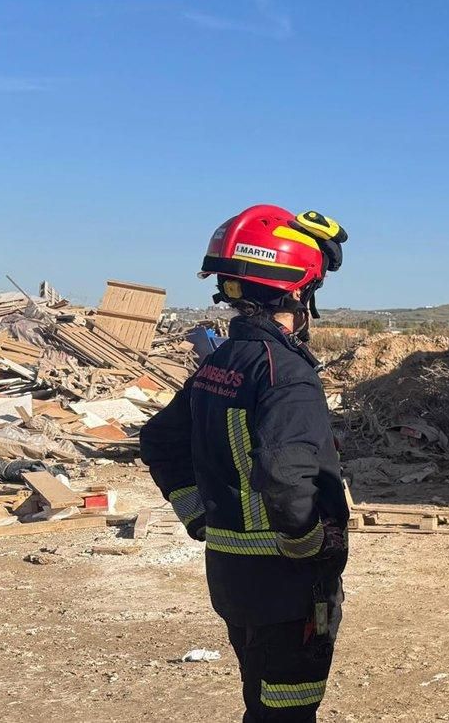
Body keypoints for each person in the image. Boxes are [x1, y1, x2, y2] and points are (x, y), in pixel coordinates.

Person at [141, 205, 351, 722]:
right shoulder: (286, 373)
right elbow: (285, 476)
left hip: (233, 576)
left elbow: (160, 439)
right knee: (288, 711)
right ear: (298, 291)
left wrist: (198, 516)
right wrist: (306, 547)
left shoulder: (219, 362)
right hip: (285, 582)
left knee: (262, 705)